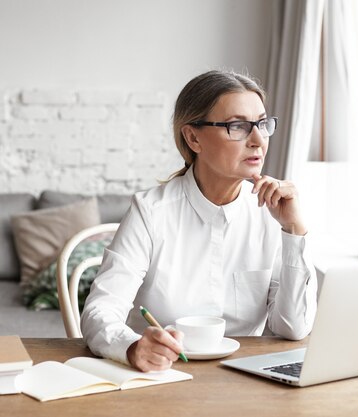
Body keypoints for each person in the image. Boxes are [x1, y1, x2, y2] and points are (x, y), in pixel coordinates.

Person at [81, 70, 318, 372]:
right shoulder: (151, 211)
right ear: (193, 137)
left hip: (246, 381)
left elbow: (293, 328)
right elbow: (101, 310)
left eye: (262, 124)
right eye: (238, 126)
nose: (258, 140)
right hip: (163, 376)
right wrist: (132, 347)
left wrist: (294, 231)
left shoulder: (271, 212)